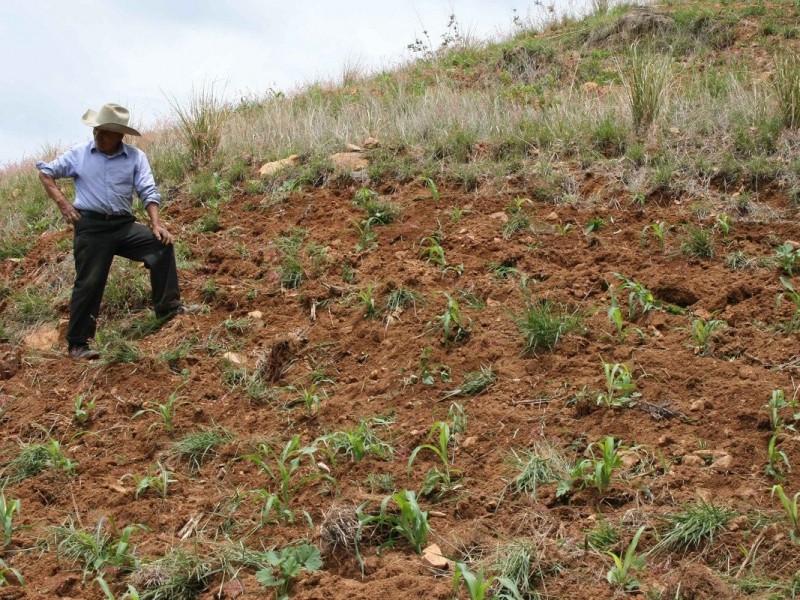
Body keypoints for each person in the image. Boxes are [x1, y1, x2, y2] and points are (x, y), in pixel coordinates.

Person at [37, 103, 196, 360]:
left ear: (120, 136)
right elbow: (46, 172)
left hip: (123, 225)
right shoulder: (79, 154)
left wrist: (156, 224)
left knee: (160, 245)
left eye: (106, 132)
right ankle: (78, 345)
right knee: (89, 281)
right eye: (97, 130)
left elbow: (148, 190)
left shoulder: (135, 157)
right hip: (91, 227)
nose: (99, 136)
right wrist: (63, 204)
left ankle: (168, 309)